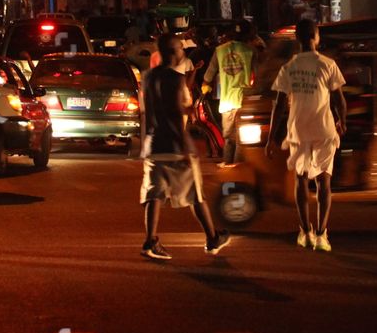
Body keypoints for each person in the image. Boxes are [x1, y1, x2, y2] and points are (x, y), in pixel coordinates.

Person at [138, 33, 231, 261]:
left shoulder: (148, 78)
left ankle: (151, 240)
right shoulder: (176, 80)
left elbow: (148, 114)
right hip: (174, 144)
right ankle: (212, 237)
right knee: (196, 194)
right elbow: (175, 113)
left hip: (153, 144)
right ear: (172, 53)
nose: (183, 52)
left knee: (154, 194)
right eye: (180, 49)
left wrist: (144, 144)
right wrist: (185, 147)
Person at [266, 19, 346, 251]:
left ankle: (305, 232)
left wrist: (271, 138)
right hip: (323, 129)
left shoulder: (289, 67)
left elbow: (279, 106)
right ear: (316, 37)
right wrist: (342, 120)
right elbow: (339, 99)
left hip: (298, 131)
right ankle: (322, 234)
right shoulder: (327, 64)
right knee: (324, 181)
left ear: (297, 39)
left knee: (301, 179)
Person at [203, 19, 260, 166]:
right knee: (243, 137)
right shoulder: (251, 51)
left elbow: (208, 77)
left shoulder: (219, 51)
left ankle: (228, 166)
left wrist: (206, 87)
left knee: (229, 138)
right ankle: (239, 167)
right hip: (246, 100)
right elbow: (259, 75)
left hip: (227, 101)